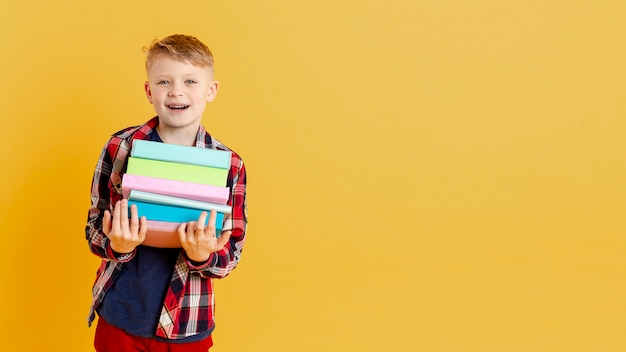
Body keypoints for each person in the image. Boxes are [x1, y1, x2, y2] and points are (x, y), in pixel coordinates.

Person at [85, 34, 248, 351]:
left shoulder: (230, 165)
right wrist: (116, 244)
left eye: (190, 81)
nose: (176, 91)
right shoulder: (119, 148)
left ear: (211, 90)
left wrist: (203, 255)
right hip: (119, 317)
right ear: (149, 91)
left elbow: (232, 252)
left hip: (187, 324)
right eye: (164, 81)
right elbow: (93, 227)